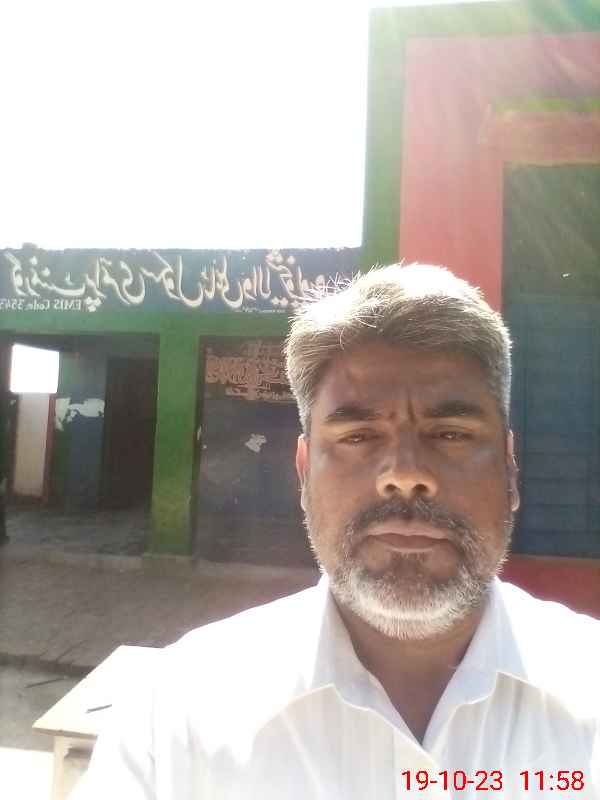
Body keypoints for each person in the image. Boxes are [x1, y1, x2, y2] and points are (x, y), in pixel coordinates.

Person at [72, 264, 600, 800]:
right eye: (359, 436)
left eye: (450, 433)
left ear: (509, 468)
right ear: (304, 473)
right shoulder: (176, 716)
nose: (405, 473)